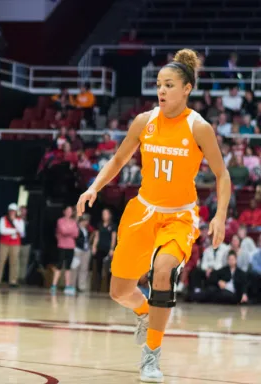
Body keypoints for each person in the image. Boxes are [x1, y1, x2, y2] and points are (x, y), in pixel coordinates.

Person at [76, 49, 229, 382]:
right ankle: (144, 311)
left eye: (169, 84)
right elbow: (117, 161)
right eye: (159, 84)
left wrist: (219, 216)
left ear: (186, 88)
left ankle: (151, 357)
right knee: (119, 292)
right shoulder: (143, 121)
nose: (161, 90)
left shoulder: (198, 126)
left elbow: (222, 175)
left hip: (179, 217)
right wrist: (94, 188)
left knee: (163, 270)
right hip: (142, 212)